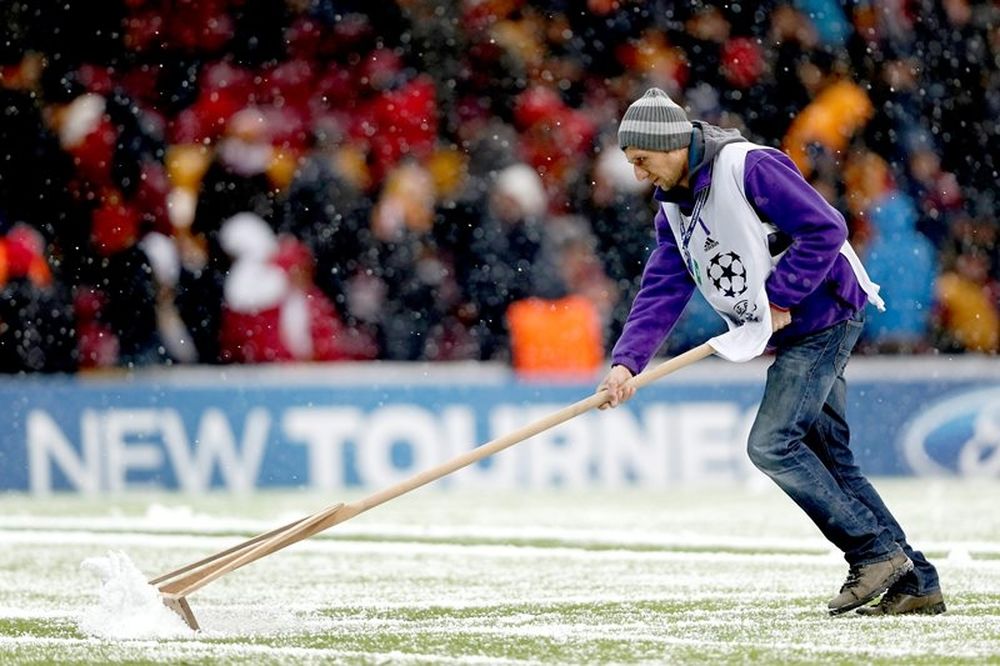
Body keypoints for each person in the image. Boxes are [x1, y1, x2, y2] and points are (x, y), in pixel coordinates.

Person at [596, 87, 945, 617]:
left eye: (642, 160)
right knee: (832, 463)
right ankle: (916, 581)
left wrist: (781, 296)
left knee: (773, 444)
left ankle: (873, 554)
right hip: (796, 330)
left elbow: (826, 229)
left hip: (825, 316)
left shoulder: (749, 166)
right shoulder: (672, 206)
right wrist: (626, 362)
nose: (640, 174)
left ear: (669, 144)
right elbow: (663, 285)